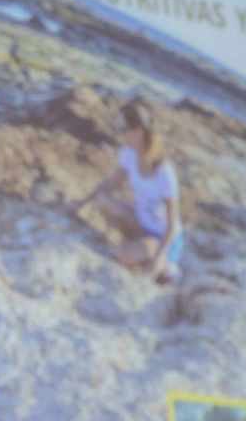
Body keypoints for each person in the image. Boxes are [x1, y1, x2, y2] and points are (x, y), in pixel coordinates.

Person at [71, 99, 185, 284]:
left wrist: (154, 265)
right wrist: (81, 202)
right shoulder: (129, 154)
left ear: (138, 130)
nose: (121, 135)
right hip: (140, 224)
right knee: (102, 199)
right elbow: (110, 184)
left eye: (124, 130)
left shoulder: (164, 172)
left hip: (164, 240)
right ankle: (139, 251)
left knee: (122, 255)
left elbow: (172, 226)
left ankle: (167, 267)